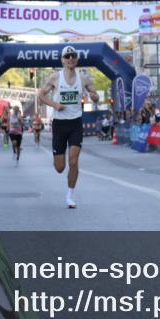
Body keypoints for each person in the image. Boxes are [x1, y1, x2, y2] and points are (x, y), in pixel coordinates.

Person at [38, 45, 100, 208]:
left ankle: (70, 196)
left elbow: (95, 96)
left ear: (77, 59)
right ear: (63, 60)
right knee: (60, 167)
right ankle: (60, 161)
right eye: (67, 56)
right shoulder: (55, 77)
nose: (70, 58)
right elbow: (41, 95)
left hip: (75, 123)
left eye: (73, 56)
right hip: (59, 124)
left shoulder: (84, 78)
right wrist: (55, 105)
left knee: (73, 161)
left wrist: (94, 96)